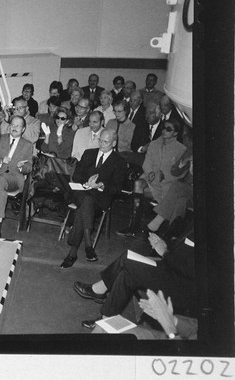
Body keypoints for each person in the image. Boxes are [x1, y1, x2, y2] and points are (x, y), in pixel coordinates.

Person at [74, 223, 195, 330]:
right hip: (171, 270)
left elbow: (192, 271)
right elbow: (185, 254)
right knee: (128, 270)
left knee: (127, 261)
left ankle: (99, 290)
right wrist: (164, 246)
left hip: (181, 286)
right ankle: (105, 319)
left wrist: (164, 252)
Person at [60, 129, 127, 267]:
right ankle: (88, 244)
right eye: (100, 140)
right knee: (85, 200)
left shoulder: (119, 162)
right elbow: (77, 176)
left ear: (114, 143)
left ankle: (73, 252)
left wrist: (100, 185)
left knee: (85, 205)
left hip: (99, 199)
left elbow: (117, 188)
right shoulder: (89, 153)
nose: (101, 144)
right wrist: (87, 183)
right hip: (80, 193)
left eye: (106, 142)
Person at [117, 119, 187, 237]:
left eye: (168, 129)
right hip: (150, 179)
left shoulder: (181, 149)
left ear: (175, 133)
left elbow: (181, 173)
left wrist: (163, 175)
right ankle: (133, 226)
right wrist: (151, 174)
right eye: (163, 128)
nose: (164, 131)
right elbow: (146, 163)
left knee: (165, 193)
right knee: (138, 183)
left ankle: (159, 226)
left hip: (167, 184)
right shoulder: (154, 144)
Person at [0, 116, 33, 238]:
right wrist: (1, 162)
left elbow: (29, 167)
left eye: (18, 126)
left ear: (23, 129)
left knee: (1, 181)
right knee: (1, 192)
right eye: (13, 125)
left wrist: (22, 167)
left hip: (14, 178)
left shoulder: (27, 145)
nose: (15, 128)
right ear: (9, 126)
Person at [91, 290, 198, 340]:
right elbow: (196, 328)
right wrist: (173, 320)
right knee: (104, 327)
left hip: (174, 349)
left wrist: (169, 326)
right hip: (174, 336)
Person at [146, 126, 193, 234]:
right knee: (181, 201)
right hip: (186, 191)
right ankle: (171, 235)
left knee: (178, 185)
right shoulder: (188, 152)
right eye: (184, 136)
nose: (184, 139)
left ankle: (158, 221)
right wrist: (184, 162)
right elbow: (175, 172)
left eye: (186, 136)